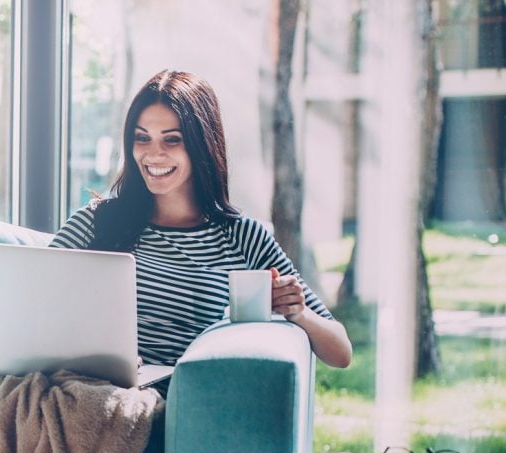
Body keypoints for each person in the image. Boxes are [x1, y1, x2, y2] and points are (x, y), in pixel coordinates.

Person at [51, 70, 352, 369]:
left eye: (172, 140)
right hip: (87, 383)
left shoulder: (243, 236)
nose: (153, 154)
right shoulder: (94, 221)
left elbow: (341, 352)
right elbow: (30, 302)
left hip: (177, 402)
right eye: (142, 138)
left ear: (202, 146)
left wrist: (298, 312)